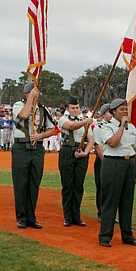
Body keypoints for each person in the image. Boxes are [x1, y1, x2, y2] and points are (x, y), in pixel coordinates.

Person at [98, 98, 136, 247]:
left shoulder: (131, 128)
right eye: (121, 109)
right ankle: (105, 235)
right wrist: (122, 125)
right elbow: (113, 142)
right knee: (110, 200)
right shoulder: (106, 126)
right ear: (113, 112)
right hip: (113, 163)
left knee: (127, 201)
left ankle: (127, 234)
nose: (125, 112)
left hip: (128, 163)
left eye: (126, 109)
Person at [11, 82, 56, 229]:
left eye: (37, 91)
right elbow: (23, 115)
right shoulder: (18, 105)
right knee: (21, 183)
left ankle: (31, 217)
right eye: (33, 91)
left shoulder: (42, 109)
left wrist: (40, 135)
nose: (36, 94)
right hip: (21, 148)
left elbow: (52, 129)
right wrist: (30, 99)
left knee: (34, 183)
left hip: (37, 148)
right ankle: (21, 217)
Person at [58, 96, 93, 227]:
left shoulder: (83, 121)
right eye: (73, 108)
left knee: (78, 185)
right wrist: (85, 122)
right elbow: (71, 126)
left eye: (77, 108)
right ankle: (67, 216)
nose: (75, 110)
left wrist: (86, 152)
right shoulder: (63, 119)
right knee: (68, 185)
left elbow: (91, 139)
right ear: (67, 109)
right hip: (68, 151)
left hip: (82, 153)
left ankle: (76, 216)